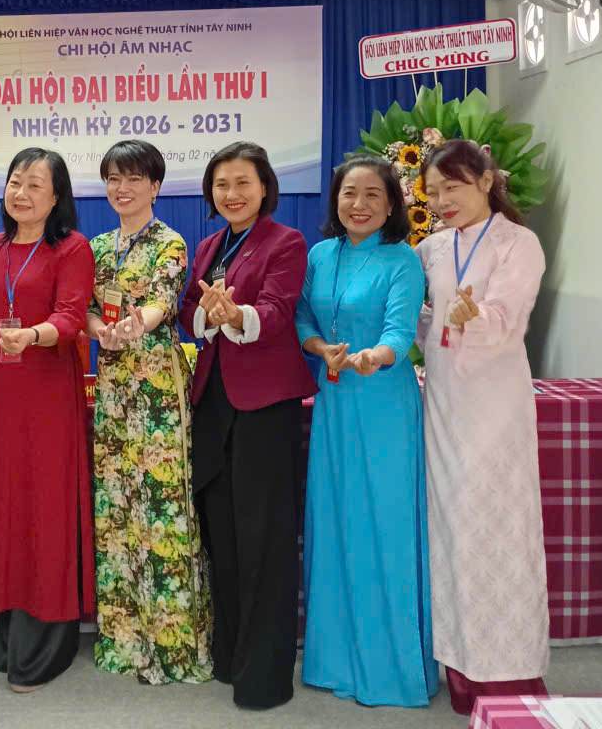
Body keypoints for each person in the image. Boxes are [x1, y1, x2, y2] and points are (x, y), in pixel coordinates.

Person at [295, 156, 437, 707]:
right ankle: (334, 661)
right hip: (334, 403)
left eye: (372, 194)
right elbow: (303, 319)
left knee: (383, 526)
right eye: (349, 193)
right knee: (334, 522)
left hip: (383, 408)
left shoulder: (402, 260)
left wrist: (373, 357)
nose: (358, 204)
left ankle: (389, 669)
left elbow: (400, 333)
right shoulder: (320, 254)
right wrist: (320, 348)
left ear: (392, 203)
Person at [179, 140, 314, 710]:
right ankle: (231, 653)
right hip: (214, 404)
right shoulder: (209, 246)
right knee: (224, 535)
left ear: (265, 188)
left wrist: (237, 315)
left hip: (265, 407)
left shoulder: (286, 242)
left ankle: (264, 675)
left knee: (265, 539)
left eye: (242, 183)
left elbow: (279, 312)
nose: (231, 194)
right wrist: (209, 317)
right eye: (222, 184)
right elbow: (189, 313)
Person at [417, 139, 549, 715]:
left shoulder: (519, 243)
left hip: (495, 407)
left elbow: (507, 318)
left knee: (500, 530)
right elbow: (424, 321)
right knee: (449, 533)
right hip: (444, 402)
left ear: (487, 181)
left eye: (453, 187)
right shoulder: (430, 248)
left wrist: (477, 314)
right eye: (433, 191)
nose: (442, 200)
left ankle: (509, 673)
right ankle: (461, 669)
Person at [85, 140, 212, 685]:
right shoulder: (96, 247)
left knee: (164, 509)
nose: (123, 188)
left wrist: (140, 323)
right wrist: (102, 331)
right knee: (117, 508)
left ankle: (174, 645)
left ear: (155, 186)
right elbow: (87, 311)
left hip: (158, 386)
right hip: (114, 389)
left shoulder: (170, 242)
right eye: (114, 178)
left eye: (134, 178)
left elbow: (163, 299)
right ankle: (126, 639)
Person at [0, 147, 96, 692]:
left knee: (46, 508)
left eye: (34, 184)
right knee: (8, 506)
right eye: (14, 181)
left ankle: (49, 636)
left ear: (56, 197)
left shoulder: (71, 248)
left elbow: (71, 318)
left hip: (49, 396)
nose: (21, 193)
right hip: (4, 399)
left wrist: (31, 335)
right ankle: (10, 627)